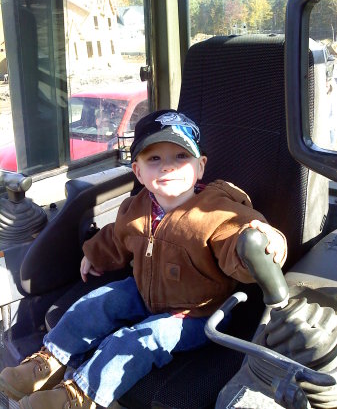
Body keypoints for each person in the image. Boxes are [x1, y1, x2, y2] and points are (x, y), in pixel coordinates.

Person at [0, 110, 287, 409]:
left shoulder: (217, 211)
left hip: (195, 313)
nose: (168, 167)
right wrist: (94, 254)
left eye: (180, 157)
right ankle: (48, 361)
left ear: (200, 167)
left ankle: (80, 395)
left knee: (133, 341)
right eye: (154, 159)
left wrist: (265, 243)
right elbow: (116, 237)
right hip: (144, 291)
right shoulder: (137, 208)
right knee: (96, 302)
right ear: (138, 172)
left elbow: (238, 240)